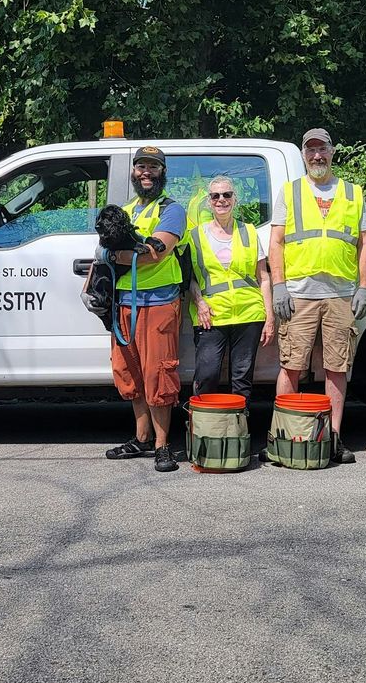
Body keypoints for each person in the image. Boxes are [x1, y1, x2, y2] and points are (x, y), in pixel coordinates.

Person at [270, 129, 366, 464]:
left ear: (332, 152)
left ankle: (333, 439)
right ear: (303, 154)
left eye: (322, 149)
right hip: (299, 293)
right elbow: (277, 242)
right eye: (311, 150)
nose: (317, 156)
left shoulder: (353, 193)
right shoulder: (291, 191)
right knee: (291, 366)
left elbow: (365, 243)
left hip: (341, 294)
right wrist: (279, 286)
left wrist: (365, 285)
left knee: (336, 367)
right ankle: (283, 437)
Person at [100, 146, 188, 473]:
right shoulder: (125, 211)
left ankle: (164, 445)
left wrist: (113, 256)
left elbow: (155, 253)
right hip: (123, 304)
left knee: (158, 374)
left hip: (159, 303)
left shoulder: (173, 210)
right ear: (134, 172)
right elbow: (103, 249)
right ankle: (141, 437)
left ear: (162, 172)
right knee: (130, 374)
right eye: (141, 166)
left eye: (153, 166)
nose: (146, 172)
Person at [188, 176, 274, 400]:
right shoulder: (194, 235)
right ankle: (204, 430)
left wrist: (269, 318)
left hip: (249, 312)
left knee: (242, 378)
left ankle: (238, 428)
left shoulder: (249, 231)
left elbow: (263, 277)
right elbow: (190, 278)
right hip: (212, 314)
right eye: (215, 196)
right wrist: (199, 302)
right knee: (207, 374)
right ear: (209, 201)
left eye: (227, 195)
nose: (221, 200)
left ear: (235, 199)